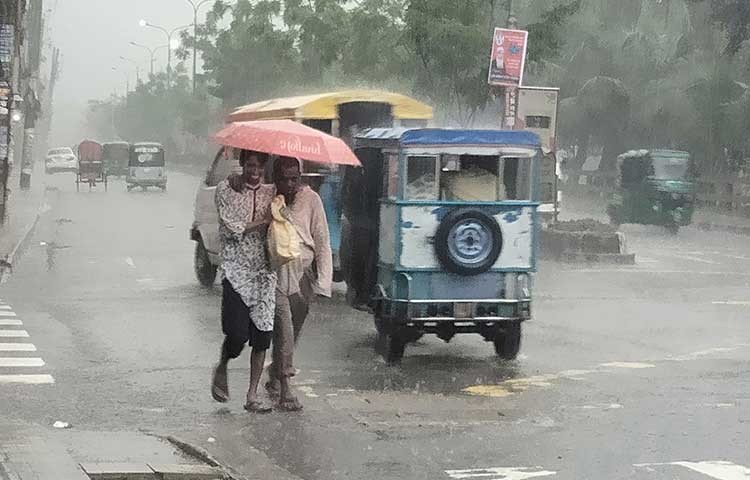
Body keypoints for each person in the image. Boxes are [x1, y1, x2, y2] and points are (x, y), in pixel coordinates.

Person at [211, 150, 277, 413]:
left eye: (260, 167)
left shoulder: (272, 193)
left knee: (262, 338)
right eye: (250, 165)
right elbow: (231, 227)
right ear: (242, 165)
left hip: (265, 273)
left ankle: (252, 395)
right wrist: (262, 221)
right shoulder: (226, 190)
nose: (255, 172)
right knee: (237, 335)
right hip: (236, 270)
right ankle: (223, 364)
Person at [267, 156, 333, 411]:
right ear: (276, 178)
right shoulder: (269, 198)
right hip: (277, 272)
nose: (290, 184)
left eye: (295, 178)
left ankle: (275, 370)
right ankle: (286, 386)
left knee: (292, 330)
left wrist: (324, 283)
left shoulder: (312, 200)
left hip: (303, 273)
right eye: (284, 179)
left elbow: (322, 242)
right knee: (284, 328)